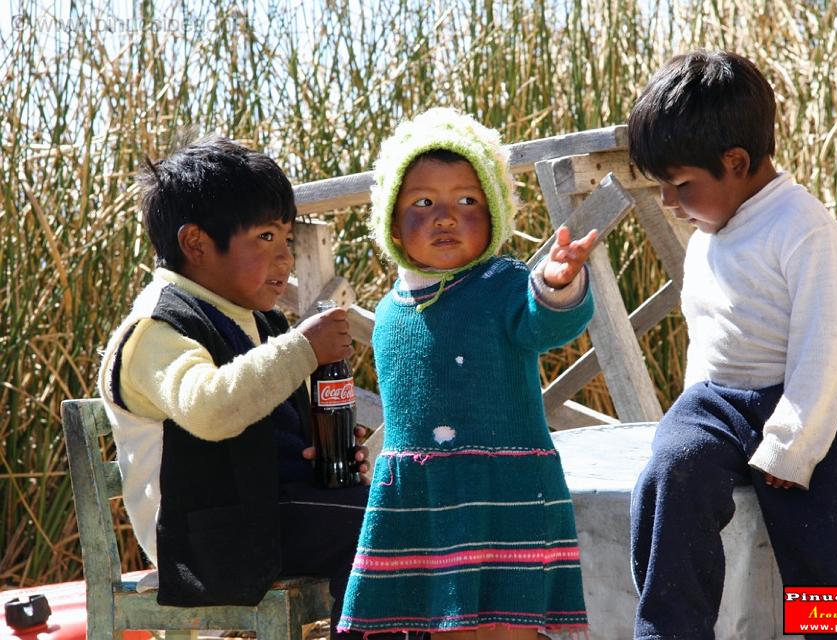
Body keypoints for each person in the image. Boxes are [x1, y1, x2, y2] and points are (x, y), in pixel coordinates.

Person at [626, 50, 837, 640]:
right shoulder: (708, 235)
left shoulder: (804, 229)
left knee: (836, 546)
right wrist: (689, 419)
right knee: (671, 474)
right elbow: (708, 334)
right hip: (721, 400)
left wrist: (792, 447)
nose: (671, 204)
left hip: (818, 402)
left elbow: (825, 347)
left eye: (680, 186)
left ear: (737, 161)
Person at [97, 137, 374, 638]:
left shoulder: (257, 322)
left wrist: (319, 449)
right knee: (379, 528)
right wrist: (302, 349)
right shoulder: (155, 329)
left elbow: (266, 424)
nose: (286, 259)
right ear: (197, 244)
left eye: (288, 240)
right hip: (206, 535)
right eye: (266, 238)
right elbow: (209, 408)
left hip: (265, 514)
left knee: (398, 508)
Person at [337, 108, 597, 639]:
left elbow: (545, 323)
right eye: (423, 202)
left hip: (506, 489)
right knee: (445, 621)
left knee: (510, 625)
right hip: (428, 497)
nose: (446, 216)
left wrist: (557, 281)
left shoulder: (503, 283)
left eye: (467, 200)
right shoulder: (389, 312)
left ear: (496, 214)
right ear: (391, 220)